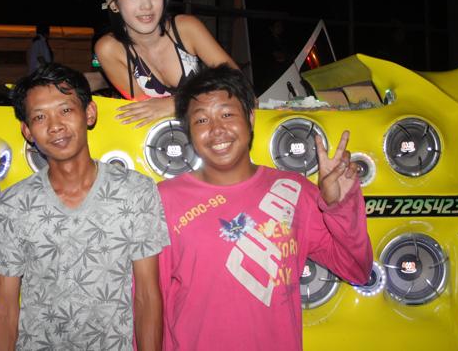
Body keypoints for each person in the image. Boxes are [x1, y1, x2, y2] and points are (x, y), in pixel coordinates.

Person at [158, 66, 373, 350]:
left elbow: (357, 270)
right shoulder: (163, 200)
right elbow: (149, 303)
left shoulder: (294, 192)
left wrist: (340, 207)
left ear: (250, 118)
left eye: (227, 114)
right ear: (189, 131)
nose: (217, 130)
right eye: (201, 120)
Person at [0, 62, 169, 350]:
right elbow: (4, 310)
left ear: (89, 113)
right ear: (27, 131)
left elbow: (147, 296)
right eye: (40, 117)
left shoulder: (135, 191)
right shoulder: (11, 206)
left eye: (65, 110)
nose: (55, 126)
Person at [94, 0, 239, 128]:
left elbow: (238, 83)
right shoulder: (109, 49)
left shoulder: (186, 29)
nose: (147, 5)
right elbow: (141, 113)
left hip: (216, 126)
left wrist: (174, 103)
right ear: (114, 4)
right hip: (165, 136)